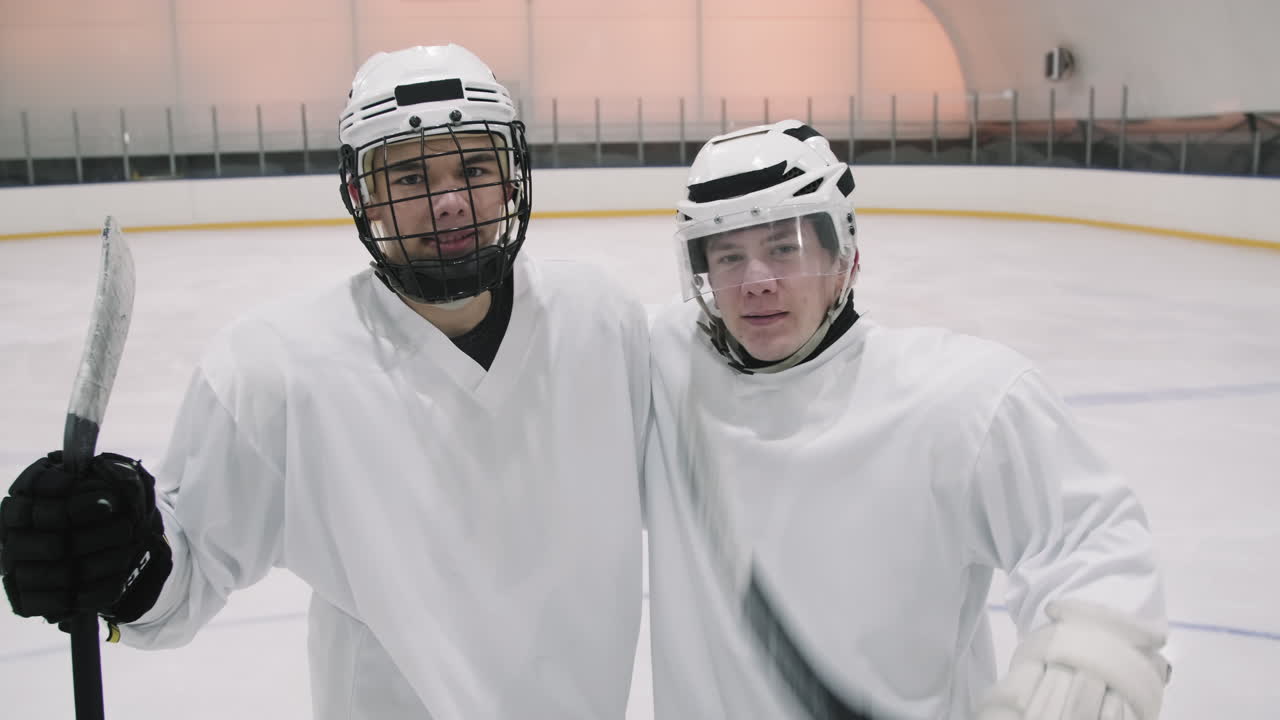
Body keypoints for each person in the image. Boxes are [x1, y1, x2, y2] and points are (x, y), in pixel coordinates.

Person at [0, 44, 650, 719]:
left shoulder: (603, 322)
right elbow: (180, 580)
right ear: (360, 196)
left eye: (475, 167)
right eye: (408, 180)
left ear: (512, 176)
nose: (451, 201)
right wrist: (118, 553)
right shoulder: (277, 369)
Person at [643, 119, 1171, 719]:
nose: (757, 283)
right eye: (730, 256)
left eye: (783, 248)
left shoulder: (955, 398)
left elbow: (1092, 540)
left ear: (843, 258)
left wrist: (1087, 662)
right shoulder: (664, 372)